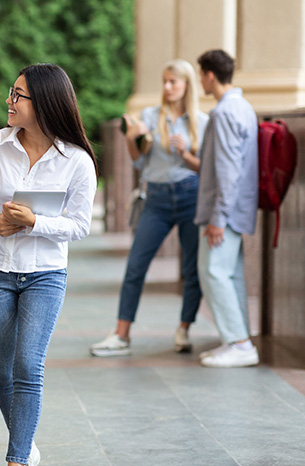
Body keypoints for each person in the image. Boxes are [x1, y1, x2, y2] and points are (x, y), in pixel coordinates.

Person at [0, 64, 97, 466]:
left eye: (18, 95)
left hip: (45, 274)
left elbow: (79, 225)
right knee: (2, 370)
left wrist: (35, 222)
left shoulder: (77, 161)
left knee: (28, 366)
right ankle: (27, 441)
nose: (9, 101)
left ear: (44, 103)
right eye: (11, 93)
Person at [90, 60, 208, 357]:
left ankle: (183, 329)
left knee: (191, 268)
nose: (167, 87)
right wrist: (131, 137)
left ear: (187, 85)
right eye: (165, 81)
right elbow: (138, 161)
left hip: (190, 196)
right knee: (136, 266)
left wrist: (185, 154)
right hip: (156, 199)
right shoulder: (150, 116)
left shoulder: (202, 121)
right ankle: (121, 334)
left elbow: (206, 169)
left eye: (174, 82)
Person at [194, 49, 259, 368]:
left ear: (208, 75)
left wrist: (217, 218)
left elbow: (228, 170)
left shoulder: (223, 113)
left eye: (200, 74)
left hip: (224, 212)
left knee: (214, 273)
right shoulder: (243, 107)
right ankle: (238, 339)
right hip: (237, 209)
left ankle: (240, 343)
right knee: (229, 275)